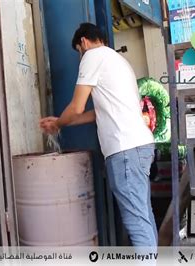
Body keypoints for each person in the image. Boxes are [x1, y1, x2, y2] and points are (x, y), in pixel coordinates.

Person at [39, 23, 157, 247]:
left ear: (83, 42)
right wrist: (62, 122)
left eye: (78, 51)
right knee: (143, 216)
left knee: (136, 222)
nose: (79, 56)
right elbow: (96, 113)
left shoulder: (92, 57)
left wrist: (57, 124)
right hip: (140, 146)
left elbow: (76, 107)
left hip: (124, 149)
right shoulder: (119, 62)